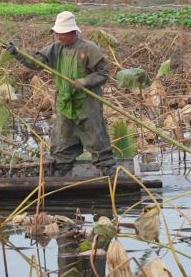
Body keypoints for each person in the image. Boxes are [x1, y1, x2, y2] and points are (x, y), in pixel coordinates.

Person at [6, 11, 115, 176]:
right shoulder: (54, 49)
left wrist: (84, 81)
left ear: (72, 32)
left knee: (96, 137)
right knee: (63, 139)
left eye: (61, 34)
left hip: (87, 103)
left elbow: (103, 74)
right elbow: (35, 63)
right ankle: (62, 172)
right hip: (65, 102)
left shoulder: (89, 49)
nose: (58, 36)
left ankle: (107, 172)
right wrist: (17, 53)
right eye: (57, 33)